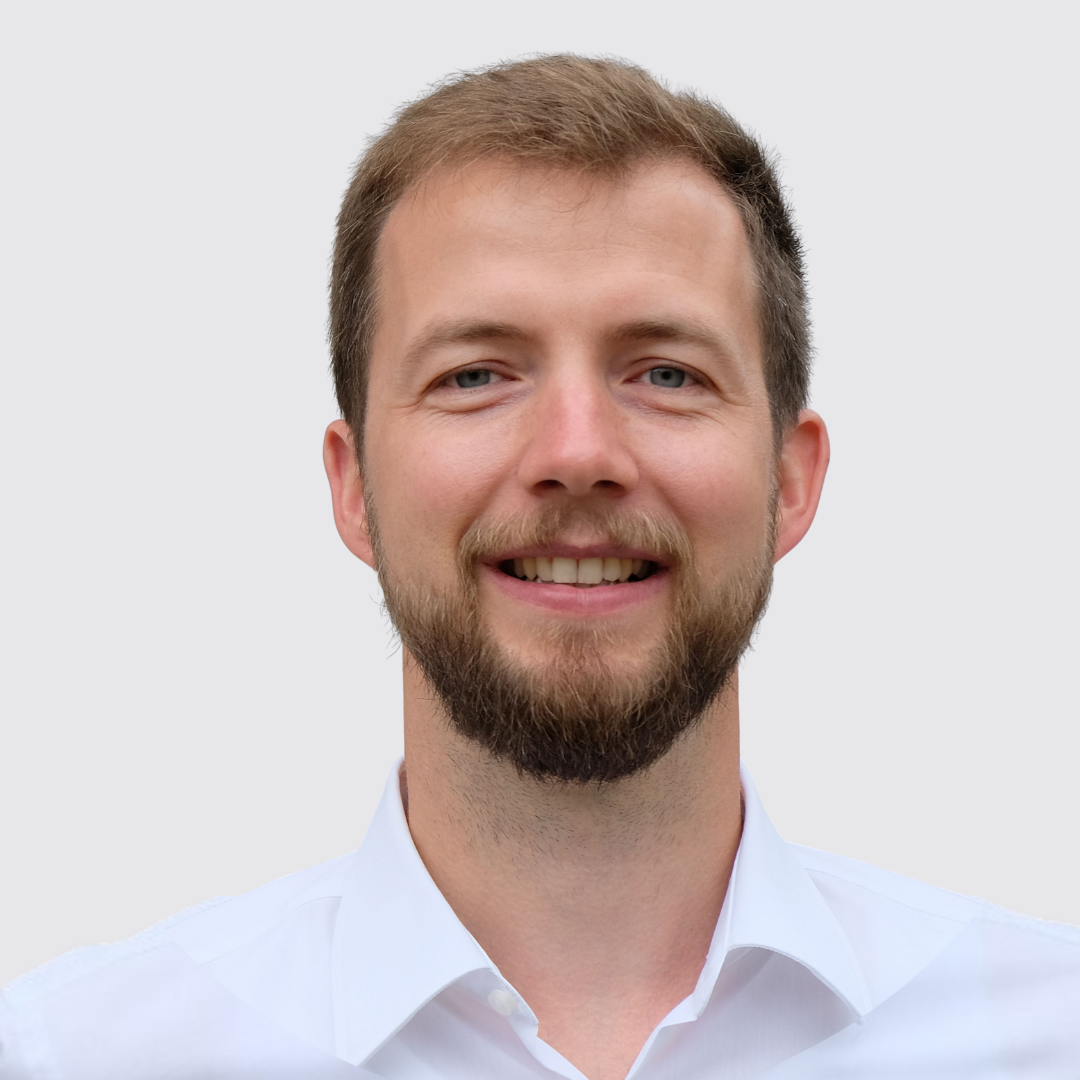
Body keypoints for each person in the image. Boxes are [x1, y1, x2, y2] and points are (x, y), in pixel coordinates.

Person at [2, 54, 1077, 1080]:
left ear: (789, 480)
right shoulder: (77, 1057)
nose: (576, 452)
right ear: (355, 487)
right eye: (475, 375)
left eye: (666, 373)